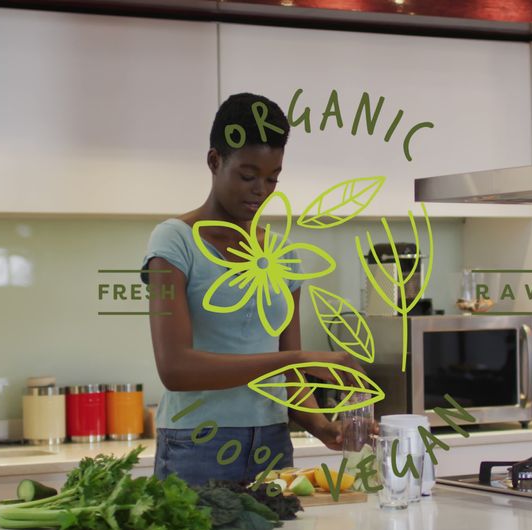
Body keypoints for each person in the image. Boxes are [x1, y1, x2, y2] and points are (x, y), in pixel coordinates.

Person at [141, 93, 367, 486]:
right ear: (214, 161)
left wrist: (322, 426)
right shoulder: (173, 243)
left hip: (273, 440)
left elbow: (290, 375)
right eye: (247, 176)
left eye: (272, 177)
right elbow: (175, 369)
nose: (260, 190)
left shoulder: (283, 253)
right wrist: (297, 358)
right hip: (196, 444)